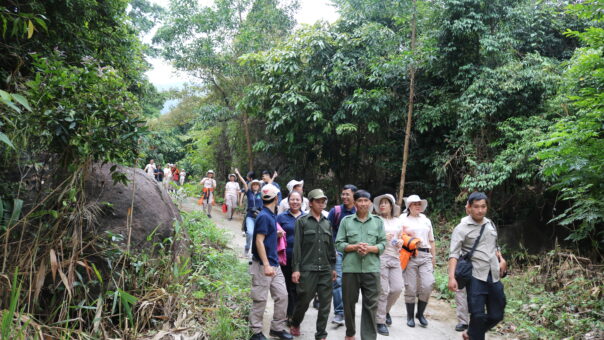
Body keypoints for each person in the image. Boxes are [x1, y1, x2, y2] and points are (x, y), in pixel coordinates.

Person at [448, 192, 507, 340]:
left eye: (483, 206)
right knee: (478, 315)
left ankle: (471, 333)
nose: (480, 210)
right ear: (468, 207)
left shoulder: (490, 224)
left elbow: (495, 246)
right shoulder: (461, 228)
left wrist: (501, 259)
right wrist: (451, 278)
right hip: (475, 275)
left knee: (497, 314)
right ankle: (474, 335)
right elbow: (453, 254)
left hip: (493, 274)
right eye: (476, 207)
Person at [335, 189, 386, 340]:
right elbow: (339, 244)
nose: (363, 204)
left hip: (371, 269)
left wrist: (370, 249)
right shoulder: (346, 221)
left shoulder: (378, 222)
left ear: (370, 203)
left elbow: (383, 243)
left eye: (366, 201)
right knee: (349, 303)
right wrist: (354, 247)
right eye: (360, 201)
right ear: (355, 203)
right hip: (351, 269)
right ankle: (350, 333)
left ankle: (368, 337)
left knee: (371, 305)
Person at [289, 189, 336, 340]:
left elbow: (331, 247)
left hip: (325, 270)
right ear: (310, 203)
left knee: (325, 304)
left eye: (323, 201)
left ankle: (321, 334)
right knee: (303, 301)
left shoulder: (327, 223)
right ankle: (295, 323)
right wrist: (296, 269)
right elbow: (297, 248)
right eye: (318, 201)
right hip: (307, 270)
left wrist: (333, 267)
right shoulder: (302, 222)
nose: (321, 204)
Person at [248, 184, 293, 340]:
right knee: (260, 299)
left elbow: (266, 236)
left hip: (274, 264)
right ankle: (255, 332)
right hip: (263, 265)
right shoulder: (264, 216)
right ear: (276, 198)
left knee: (282, 296)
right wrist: (266, 265)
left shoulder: (270, 215)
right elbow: (259, 241)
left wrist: (277, 233)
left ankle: (277, 328)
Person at [401, 194, 436, 328]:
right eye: (414, 204)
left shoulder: (426, 220)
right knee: (410, 287)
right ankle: (410, 316)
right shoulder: (402, 219)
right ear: (409, 206)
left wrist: (433, 259)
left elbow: (431, 240)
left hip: (425, 255)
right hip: (410, 256)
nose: (417, 206)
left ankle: (420, 314)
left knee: (427, 285)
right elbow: (398, 236)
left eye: (419, 204)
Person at [373, 194, 404, 336]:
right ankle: (380, 321)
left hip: (395, 257)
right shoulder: (376, 220)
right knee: (383, 290)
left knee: (397, 288)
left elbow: (401, 237)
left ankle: (384, 311)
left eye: (385, 203)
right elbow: (371, 238)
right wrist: (382, 238)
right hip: (381, 257)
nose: (382, 205)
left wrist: (400, 242)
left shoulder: (398, 221)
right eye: (380, 203)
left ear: (391, 205)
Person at [327, 184, 358, 325]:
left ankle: (348, 311)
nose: (344, 197)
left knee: (352, 283)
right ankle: (339, 313)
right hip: (338, 251)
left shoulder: (359, 211)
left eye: (348, 194)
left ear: (354, 196)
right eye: (343, 194)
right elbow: (327, 231)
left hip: (355, 252)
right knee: (337, 282)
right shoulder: (336, 211)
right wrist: (331, 249)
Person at [276, 191, 305, 323]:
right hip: (285, 257)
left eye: (297, 200)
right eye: (292, 199)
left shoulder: (306, 218)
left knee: (298, 288)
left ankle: (295, 313)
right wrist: (277, 234)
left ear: (302, 202)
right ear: (288, 202)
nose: (295, 202)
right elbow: (271, 234)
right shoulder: (281, 217)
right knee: (287, 286)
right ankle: (289, 314)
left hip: (302, 259)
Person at [236, 168, 263, 259]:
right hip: (250, 216)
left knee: (258, 236)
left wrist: (274, 177)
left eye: (257, 184)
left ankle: (256, 254)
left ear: (259, 186)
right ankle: (246, 250)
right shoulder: (249, 193)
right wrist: (238, 173)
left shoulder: (262, 194)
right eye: (254, 184)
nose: (255, 186)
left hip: (259, 217)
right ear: (251, 186)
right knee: (250, 233)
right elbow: (244, 182)